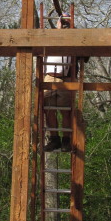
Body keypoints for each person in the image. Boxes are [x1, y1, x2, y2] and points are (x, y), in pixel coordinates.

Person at [43, 13, 73, 152]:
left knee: (65, 111)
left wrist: (70, 30)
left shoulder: (74, 37)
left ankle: (66, 140)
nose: (65, 24)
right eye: (63, 21)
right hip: (49, 76)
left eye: (68, 21)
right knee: (48, 109)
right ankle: (54, 139)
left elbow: (85, 55)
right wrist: (58, 29)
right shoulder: (50, 36)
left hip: (65, 77)